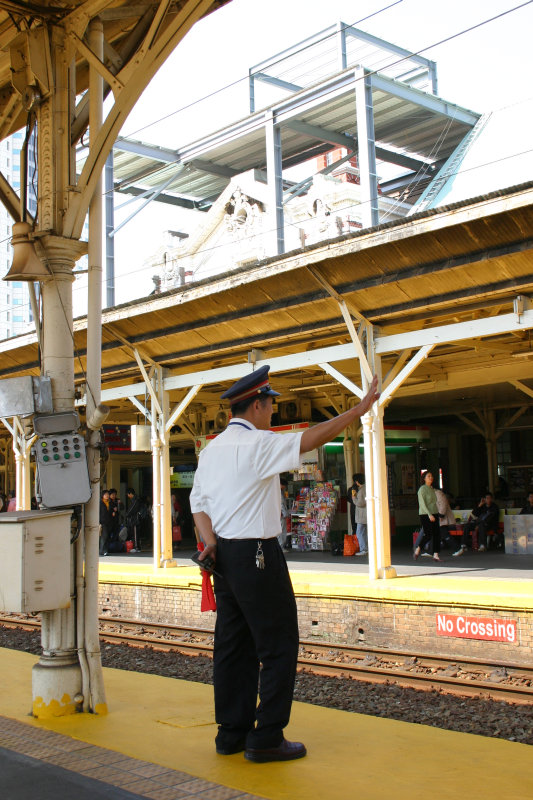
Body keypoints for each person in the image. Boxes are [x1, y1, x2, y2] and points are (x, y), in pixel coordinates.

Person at [190, 364, 379, 763]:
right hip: (257, 556)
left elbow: (199, 508)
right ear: (256, 406)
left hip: (222, 557)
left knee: (232, 645)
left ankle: (231, 734)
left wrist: (210, 544)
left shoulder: (210, 451)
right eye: (270, 406)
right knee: (278, 644)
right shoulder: (257, 444)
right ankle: (267, 736)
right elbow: (309, 439)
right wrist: (358, 410)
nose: (273, 413)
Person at [414, 471, 441, 562]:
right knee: (428, 534)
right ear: (424, 478)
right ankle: (418, 548)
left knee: (437, 534)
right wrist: (429, 514)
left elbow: (434, 503)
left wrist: (436, 514)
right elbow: (422, 504)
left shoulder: (432, 489)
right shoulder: (422, 489)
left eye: (431, 476)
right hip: (425, 514)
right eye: (428, 476)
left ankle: (436, 555)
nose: (431, 477)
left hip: (435, 513)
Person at [125, 488, 146, 552]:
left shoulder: (136, 500)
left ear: (130, 494)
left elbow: (132, 509)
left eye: (128, 494)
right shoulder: (137, 499)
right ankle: (137, 547)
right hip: (138, 518)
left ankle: (136, 547)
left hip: (135, 519)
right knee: (136, 533)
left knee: (135, 533)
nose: (128, 496)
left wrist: (127, 514)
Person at [352, 473, 368, 556]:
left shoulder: (362, 490)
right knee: (364, 533)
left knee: (359, 533)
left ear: (357, 481)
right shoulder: (366, 488)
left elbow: (360, 503)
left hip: (362, 516)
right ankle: (366, 548)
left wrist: (354, 498)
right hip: (365, 515)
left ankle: (364, 549)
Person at [99, 489, 112, 556]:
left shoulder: (109, 502)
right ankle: (102, 550)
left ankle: (105, 550)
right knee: (104, 536)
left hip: (108, 522)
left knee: (107, 537)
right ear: (102, 495)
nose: (107, 496)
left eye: (108, 494)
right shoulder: (100, 503)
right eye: (105, 494)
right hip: (102, 522)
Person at [278, 478, 289, 549]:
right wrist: (285, 513)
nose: (284, 487)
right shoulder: (278, 492)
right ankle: (281, 546)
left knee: (281, 530)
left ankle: (281, 545)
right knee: (281, 530)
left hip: (280, 513)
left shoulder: (280, 491)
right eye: (284, 486)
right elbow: (281, 504)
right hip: (281, 514)